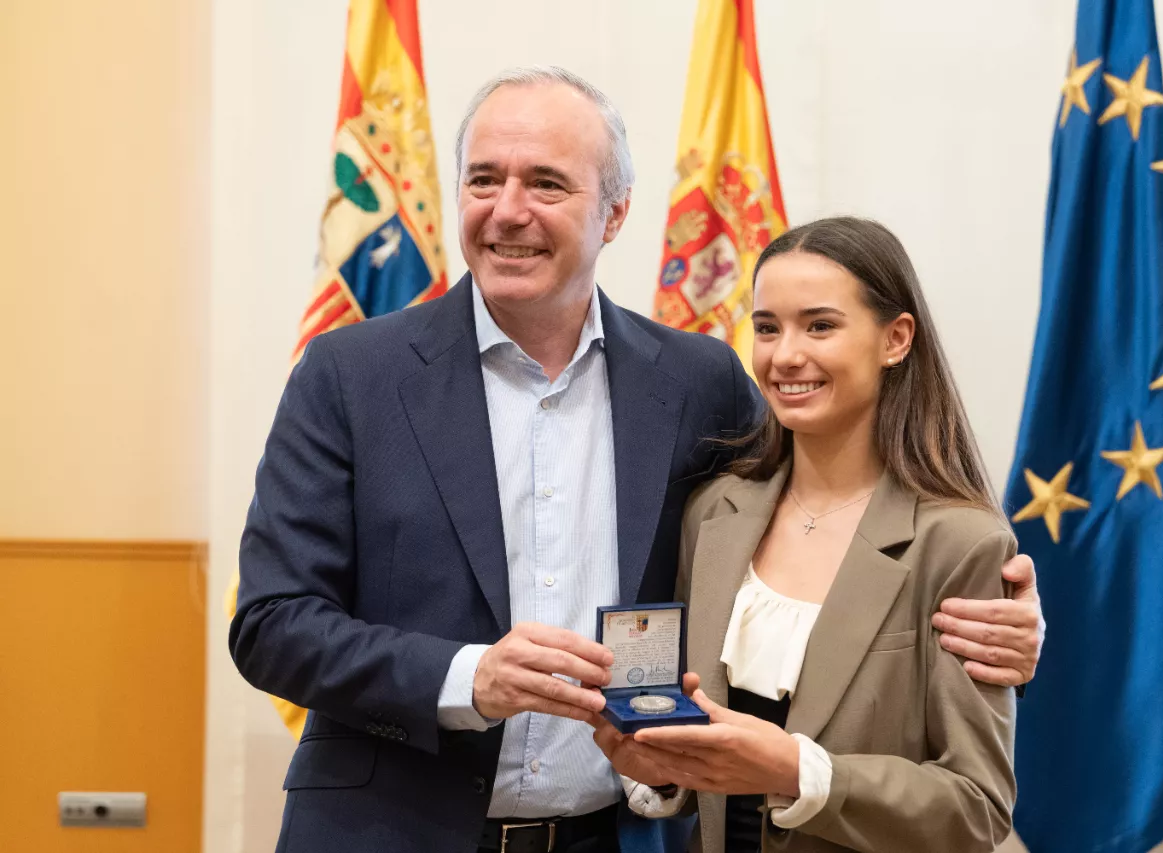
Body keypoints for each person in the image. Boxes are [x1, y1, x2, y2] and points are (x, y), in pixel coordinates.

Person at [230, 68, 1041, 853]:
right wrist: (466, 676)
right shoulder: (349, 375)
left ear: (615, 213)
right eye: (483, 180)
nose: (507, 210)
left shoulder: (697, 382)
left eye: (546, 183)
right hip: (389, 833)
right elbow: (271, 624)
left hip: (621, 833)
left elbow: (831, 524)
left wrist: (1009, 623)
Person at [594, 217, 1019, 853]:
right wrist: (657, 768)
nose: (785, 354)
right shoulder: (713, 514)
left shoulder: (960, 542)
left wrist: (798, 773)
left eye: (820, 325)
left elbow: (977, 807)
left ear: (896, 339)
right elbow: (698, 755)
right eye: (767, 327)